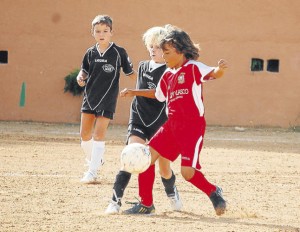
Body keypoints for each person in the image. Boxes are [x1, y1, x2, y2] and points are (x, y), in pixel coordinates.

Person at [124, 25, 228, 216]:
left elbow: (213, 73)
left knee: (187, 173)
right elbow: (157, 95)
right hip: (171, 126)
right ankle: (146, 204)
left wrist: (220, 69)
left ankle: (213, 191)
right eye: (162, 52)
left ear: (181, 51)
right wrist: (134, 92)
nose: (163, 57)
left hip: (192, 127)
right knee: (146, 159)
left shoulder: (193, 68)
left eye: (167, 52)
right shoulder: (167, 74)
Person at [105, 26, 182, 215]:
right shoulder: (143, 66)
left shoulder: (170, 71)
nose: (153, 50)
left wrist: (133, 92)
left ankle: (171, 192)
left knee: (164, 170)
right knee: (132, 156)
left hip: (161, 123)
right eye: (150, 46)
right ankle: (117, 202)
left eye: (157, 46)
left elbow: (159, 95)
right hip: (139, 118)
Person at [76, 15, 136, 183]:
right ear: (92, 33)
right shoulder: (90, 52)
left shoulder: (119, 52)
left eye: (105, 31)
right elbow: (84, 71)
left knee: (99, 134)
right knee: (84, 135)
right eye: (98, 31)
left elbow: (130, 73)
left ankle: (92, 171)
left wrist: (144, 85)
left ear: (111, 32)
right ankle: (96, 159)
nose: (101, 34)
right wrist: (80, 77)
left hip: (108, 97)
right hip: (90, 96)